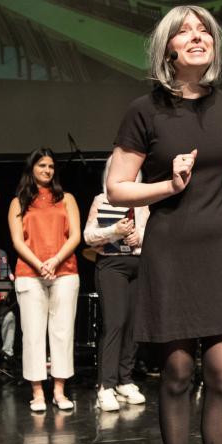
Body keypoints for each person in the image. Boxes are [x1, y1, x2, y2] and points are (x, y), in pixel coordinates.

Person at [107, 5, 222, 444]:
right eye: (184, 33)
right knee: (176, 374)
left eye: (204, 32)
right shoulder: (144, 110)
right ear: (167, 50)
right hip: (172, 252)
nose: (197, 38)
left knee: (221, 376)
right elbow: (117, 188)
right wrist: (168, 186)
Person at [8, 148, 81, 412]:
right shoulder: (19, 202)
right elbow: (17, 240)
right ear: (32, 169)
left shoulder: (67, 199)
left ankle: (59, 391)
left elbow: (75, 236)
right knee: (33, 335)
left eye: (51, 166)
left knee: (62, 333)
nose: (47, 171)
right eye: (42, 166)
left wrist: (55, 261)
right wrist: (40, 264)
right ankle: (38, 392)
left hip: (65, 271)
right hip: (30, 274)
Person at [84, 156, 150, 412]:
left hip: (139, 264)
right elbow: (88, 236)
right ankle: (106, 385)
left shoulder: (144, 201)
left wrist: (139, 236)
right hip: (112, 265)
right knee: (115, 323)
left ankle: (125, 379)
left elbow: (153, 234)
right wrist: (115, 231)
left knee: (134, 325)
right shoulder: (102, 200)